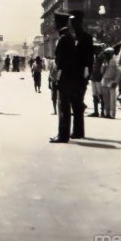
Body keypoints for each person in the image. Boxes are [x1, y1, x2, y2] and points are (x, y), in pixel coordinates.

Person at [50, 12, 75, 143]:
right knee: (65, 105)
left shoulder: (64, 38)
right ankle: (63, 133)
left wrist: (57, 77)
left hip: (64, 76)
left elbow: (60, 61)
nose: (54, 24)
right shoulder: (69, 37)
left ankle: (62, 135)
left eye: (55, 22)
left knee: (63, 105)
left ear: (59, 23)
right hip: (68, 76)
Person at [69, 10, 93, 139]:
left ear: (80, 22)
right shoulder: (72, 38)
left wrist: (86, 75)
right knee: (75, 103)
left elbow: (89, 58)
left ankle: (78, 131)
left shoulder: (87, 38)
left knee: (77, 102)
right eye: (72, 22)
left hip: (80, 75)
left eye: (75, 22)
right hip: (72, 75)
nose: (73, 24)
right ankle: (78, 130)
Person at [100, 47, 119, 119]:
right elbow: (101, 72)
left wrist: (116, 81)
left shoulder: (115, 60)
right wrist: (103, 66)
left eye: (107, 54)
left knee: (112, 99)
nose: (106, 55)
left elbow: (118, 72)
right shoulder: (105, 61)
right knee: (106, 98)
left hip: (112, 80)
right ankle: (106, 113)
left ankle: (112, 114)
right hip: (104, 80)